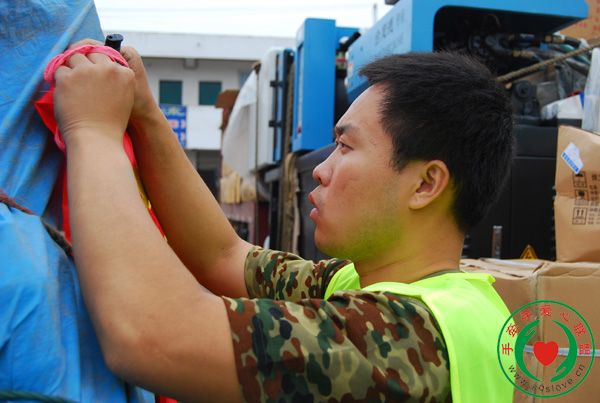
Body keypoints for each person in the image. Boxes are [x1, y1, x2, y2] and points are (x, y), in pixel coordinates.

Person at [52, 40, 514, 402]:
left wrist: (91, 131)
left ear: (425, 184)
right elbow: (223, 256)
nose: (321, 169)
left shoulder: (409, 336)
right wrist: (147, 114)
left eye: (346, 147)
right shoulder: (371, 284)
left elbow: (152, 335)